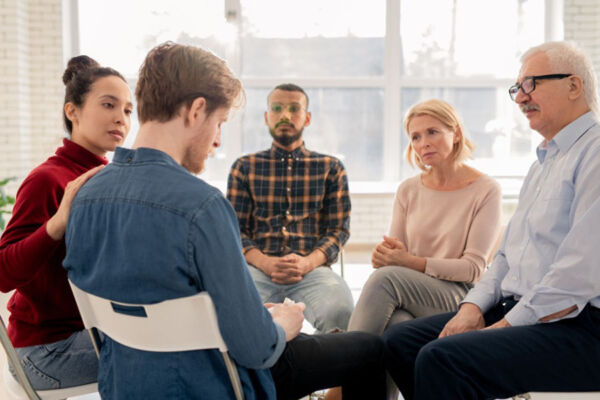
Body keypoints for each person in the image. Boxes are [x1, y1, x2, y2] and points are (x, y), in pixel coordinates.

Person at [64, 42, 386, 400]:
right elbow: (257, 349)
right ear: (197, 110)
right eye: (220, 123)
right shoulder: (201, 206)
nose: (217, 140)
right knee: (370, 350)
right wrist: (283, 324)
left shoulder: (85, 195)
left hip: (125, 383)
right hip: (215, 382)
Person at [383, 41, 600, 400]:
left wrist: (503, 326)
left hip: (577, 326)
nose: (519, 97)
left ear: (574, 86)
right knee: (399, 342)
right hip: (523, 308)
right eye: (517, 88)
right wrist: (471, 308)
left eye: (531, 84)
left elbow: (577, 276)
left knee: (443, 358)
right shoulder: (542, 163)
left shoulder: (594, 155)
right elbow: (504, 257)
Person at [0, 56, 132, 389]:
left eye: (129, 110)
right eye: (108, 104)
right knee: (174, 356)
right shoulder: (47, 180)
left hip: (86, 332)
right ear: (72, 111)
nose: (121, 118)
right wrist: (56, 224)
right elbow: (3, 273)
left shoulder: (106, 178)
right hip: (45, 352)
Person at [348, 99, 502, 335]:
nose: (424, 144)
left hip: (462, 296)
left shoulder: (486, 189)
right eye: (416, 137)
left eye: (432, 132)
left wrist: (407, 262)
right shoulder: (408, 189)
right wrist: (384, 256)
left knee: (385, 280)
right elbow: (395, 256)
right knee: (396, 323)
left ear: (457, 134)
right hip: (412, 288)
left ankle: (342, 359)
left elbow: (472, 269)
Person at [227, 83, 354, 333]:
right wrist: (265, 262)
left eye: (294, 109)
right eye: (277, 108)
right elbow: (233, 230)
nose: (285, 115)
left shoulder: (331, 167)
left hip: (312, 269)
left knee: (342, 313)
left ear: (306, 118)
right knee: (231, 314)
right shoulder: (244, 167)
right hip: (257, 270)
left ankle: (319, 367)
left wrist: (307, 263)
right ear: (266, 117)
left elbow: (338, 230)